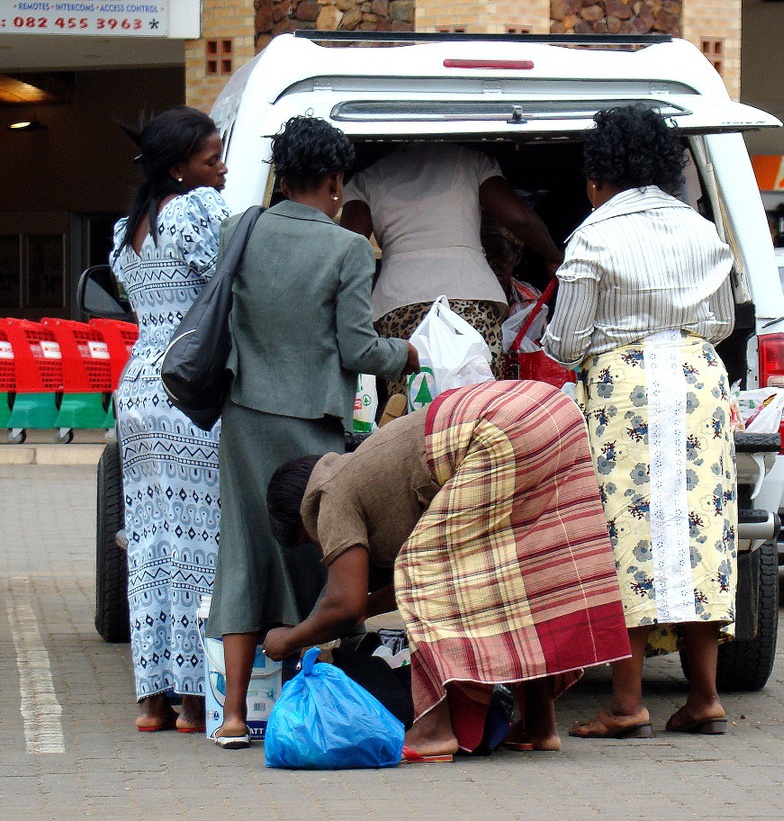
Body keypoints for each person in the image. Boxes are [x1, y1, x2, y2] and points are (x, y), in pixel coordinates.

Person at [261, 379, 631, 760]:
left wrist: (289, 640)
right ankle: (539, 723)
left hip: (497, 426)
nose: (322, 546)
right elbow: (377, 595)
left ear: (301, 519)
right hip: (551, 411)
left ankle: (434, 729)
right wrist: (370, 604)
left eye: (309, 541)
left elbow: (346, 604)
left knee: (427, 572)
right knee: (522, 574)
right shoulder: (364, 472)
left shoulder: (328, 497)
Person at [205, 116, 419, 750]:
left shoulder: (237, 234)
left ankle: (234, 716)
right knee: (316, 558)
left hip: (243, 417)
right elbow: (357, 346)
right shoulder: (347, 249)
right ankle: (305, 706)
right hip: (310, 428)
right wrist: (404, 353)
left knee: (244, 551)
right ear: (332, 180)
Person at [542, 105, 739, 738]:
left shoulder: (594, 235)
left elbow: (565, 340)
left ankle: (627, 707)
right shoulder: (701, 230)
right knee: (700, 533)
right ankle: (704, 697)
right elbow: (723, 325)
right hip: (696, 383)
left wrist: (616, 343)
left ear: (598, 173)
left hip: (623, 390)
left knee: (624, 536)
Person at [110, 106, 229, 733]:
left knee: (152, 543)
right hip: (190, 390)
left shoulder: (131, 227)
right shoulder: (197, 212)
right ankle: (193, 701)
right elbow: (226, 289)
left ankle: (151, 701)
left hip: (139, 390)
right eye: (212, 159)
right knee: (199, 545)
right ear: (181, 166)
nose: (224, 169)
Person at [340, 143, 562, 395]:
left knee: (413, 406)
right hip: (472, 296)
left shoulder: (367, 179)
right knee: (478, 406)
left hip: (401, 302)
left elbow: (349, 246)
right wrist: (555, 258)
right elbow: (519, 218)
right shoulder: (471, 161)